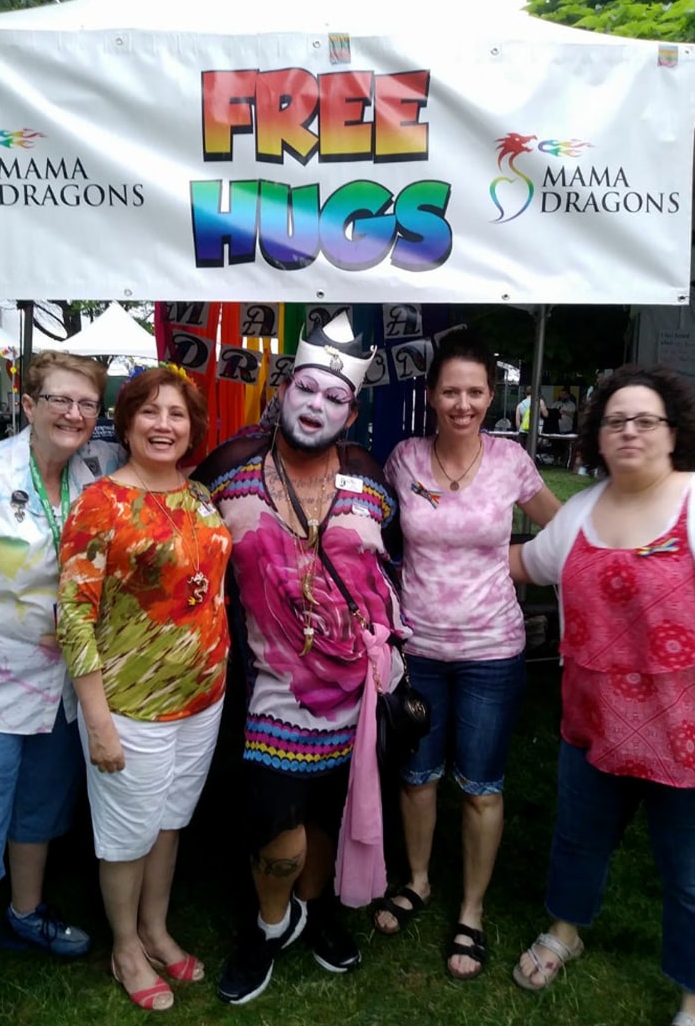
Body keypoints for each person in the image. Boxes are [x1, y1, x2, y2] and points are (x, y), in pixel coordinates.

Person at [193, 313, 409, 1005]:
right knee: (272, 817)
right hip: (266, 691)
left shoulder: (371, 479)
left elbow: (387, 566)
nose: (317, 405)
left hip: (355, 696)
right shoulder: (228, 471)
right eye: (307, 390)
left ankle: (310, 917)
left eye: (334, 397)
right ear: (284, 391)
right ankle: (267, 924)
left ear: (350, 411)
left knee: (326, 811)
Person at [0, 351, 122, 1026]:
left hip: (62, 691)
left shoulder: (91, 474)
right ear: (28, 401)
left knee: (38, 818)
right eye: (59, 398)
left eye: (87, 403)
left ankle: (23, 914)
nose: (74, 413)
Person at [510, 365, 695, 1026]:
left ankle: (691, 991)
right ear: (597, 433)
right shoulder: (583, 511)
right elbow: (526, 563)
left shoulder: (693, 502)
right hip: (591, 724)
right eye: (615, 420)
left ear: (672, 431)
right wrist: (443, 542)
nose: (629, 431)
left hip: (686, 733)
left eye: (645, 419)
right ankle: (566, 930)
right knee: (578, 840)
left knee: (690, 872)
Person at [375, 331, 560, 979]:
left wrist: (512, 561)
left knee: (482, 784)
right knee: (417, 775)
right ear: (431, 395)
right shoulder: (403, 458)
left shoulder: (511, 460)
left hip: (492, 651)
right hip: (419, 649)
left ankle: (472, 910)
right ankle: (420, 879)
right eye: (450, 390)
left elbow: (558, 533)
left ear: (491, 395)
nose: (461, 402)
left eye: (474, 391)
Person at [56, 365, 232, 1013]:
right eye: (150, 412)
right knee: (128, 834)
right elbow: (73, 612)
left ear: (193, 427)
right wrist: (97, 717)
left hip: (202, 701)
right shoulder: (101, 502)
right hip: (132, 705)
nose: (164, 424)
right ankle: (126, 943)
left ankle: (156, 928)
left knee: (168, 823)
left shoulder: (202, 495)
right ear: (126, 422)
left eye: (177, 414)